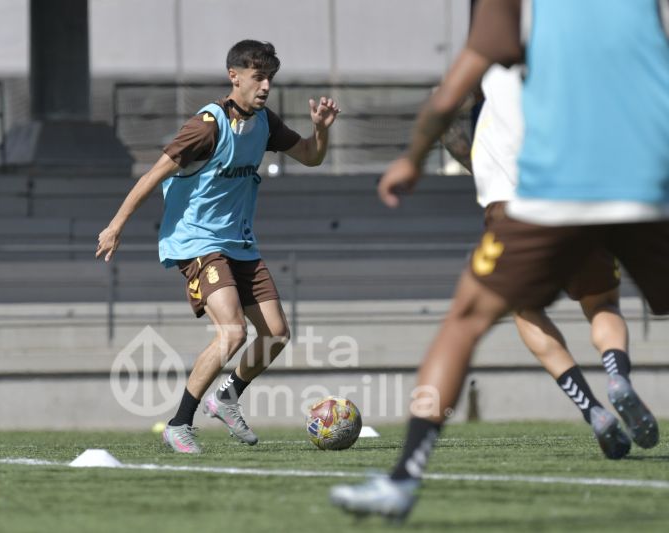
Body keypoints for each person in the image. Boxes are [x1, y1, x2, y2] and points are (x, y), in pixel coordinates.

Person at [331, 0, 669, 521]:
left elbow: (450, 94)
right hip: (646, 175)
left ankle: (403, 479)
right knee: (603, 302)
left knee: (466, 319)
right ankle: (616, 372)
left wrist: (412, 159)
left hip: (546, 189)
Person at [96, 40, 340, 454]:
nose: (266, 86)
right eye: (258, 77)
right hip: (196, 241)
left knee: (276, 335)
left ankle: (226, 397)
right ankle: (179, 424)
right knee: (233, 331)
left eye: (270, 78)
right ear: (234, 77)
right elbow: (154, 174)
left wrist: (321, 130)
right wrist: (116, 225)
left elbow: (310, 156)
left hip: (239, 242)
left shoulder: (265, 123)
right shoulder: (206, 126)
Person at [440, 63, 655, 460]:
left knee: (526, 310)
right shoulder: (574, 64)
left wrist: (484, 168)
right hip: (575, 196)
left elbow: (447, 122)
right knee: (602, 304)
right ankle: (617, 377)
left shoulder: (490, 60)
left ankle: (592, 411)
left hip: (507, 206)